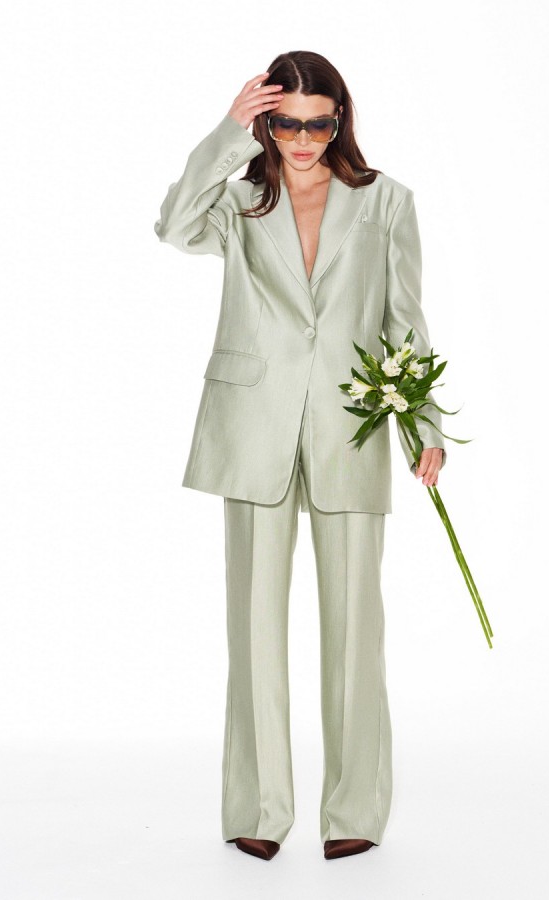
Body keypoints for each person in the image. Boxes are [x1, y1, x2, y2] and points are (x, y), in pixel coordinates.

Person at [154, 50, 446, 861]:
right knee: (253, 628)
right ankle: (257, 806)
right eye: (287, 124)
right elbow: (173, 225)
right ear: (268, 123)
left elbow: (404, 321)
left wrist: (422, 426)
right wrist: (227, 131)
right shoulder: (239, 198)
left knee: (356, 629)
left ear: (339, 119)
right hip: (253, 425)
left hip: (352, 426)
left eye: (319, 123)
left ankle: (354, 809)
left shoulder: (386, 202)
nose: (305, 139)